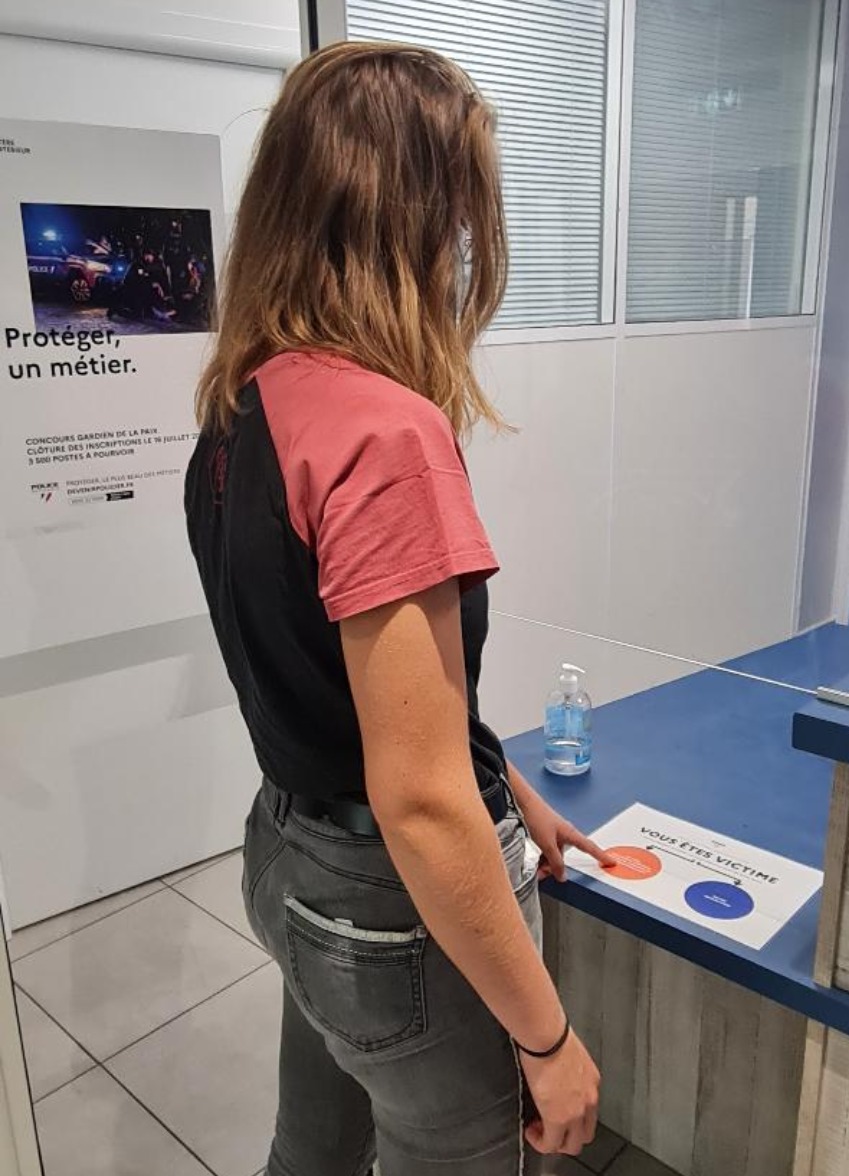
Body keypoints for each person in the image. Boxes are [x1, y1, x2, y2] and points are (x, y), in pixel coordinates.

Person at [185, 41, 611, 1176]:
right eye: (461, 210)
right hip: (392, 906)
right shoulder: (387, 434)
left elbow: (344, 688)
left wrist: (509, 790)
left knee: (312, 1153)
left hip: (289, 853)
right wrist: (550, 1042)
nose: (466, 243)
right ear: (412, 214)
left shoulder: (241, 405)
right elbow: (419, 801)